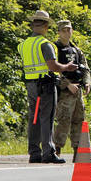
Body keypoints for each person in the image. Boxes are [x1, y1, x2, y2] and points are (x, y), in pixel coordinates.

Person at [18, 10, 77, 163]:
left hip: (31, 85)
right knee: (47, 118)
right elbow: (53, 66)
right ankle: (48, 153)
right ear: (45, 26)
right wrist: (67, 67)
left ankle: (34, 153)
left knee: (34, 118)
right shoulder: (45, 44)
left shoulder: (23, 45)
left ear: (32, 25)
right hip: (46, 85)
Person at [52, 19, 90, 159]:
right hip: (64, 92)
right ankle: (56, 151)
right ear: (59, 32)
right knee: (63, 120)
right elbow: (54, 70)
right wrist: (67, 84)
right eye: (64, 30)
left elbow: (85, 68)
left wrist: (86, 82)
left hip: (77, 91)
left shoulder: (76, 50)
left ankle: (77, 152)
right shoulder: (55, 48)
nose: (67, 32)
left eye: (69, 29)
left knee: (79, 121)